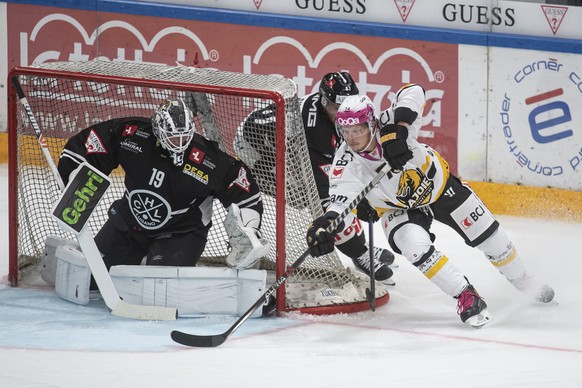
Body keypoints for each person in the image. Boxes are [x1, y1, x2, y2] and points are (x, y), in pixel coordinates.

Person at [306, 88, 554, 327]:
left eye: (357, 130)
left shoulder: (388, 122)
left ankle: (522, 279)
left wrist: (400, 129)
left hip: (439, 188)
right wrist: (324, 225)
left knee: (491, 238)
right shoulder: (345, 160)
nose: (351, 137)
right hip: (397, 209)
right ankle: (465, 295)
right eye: (345, 130)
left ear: (371, 124)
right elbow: (340, 202)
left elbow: (414, 90)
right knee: (414, 247)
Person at [57, 98, 270, 281]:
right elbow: (94, 141)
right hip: (129, 224)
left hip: (180, 233)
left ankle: (155, 258)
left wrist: (249, 228)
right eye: (173, 137)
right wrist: (72, 173)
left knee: (159, 288)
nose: (179, 143)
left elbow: (243, 188)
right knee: (90, 281)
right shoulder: (133, 135)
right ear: (158, 130)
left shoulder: (207, 159)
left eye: (184, 136)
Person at [234, 72, 395, 285]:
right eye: (337, 109)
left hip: (282, 143)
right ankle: (359, 254)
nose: (343, 114)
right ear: (324, 102)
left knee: (338, 194)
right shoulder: (315, 130)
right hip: (256, 154)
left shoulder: (336, 111)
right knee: (328, 204)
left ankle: (361, 246)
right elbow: (331, 188)